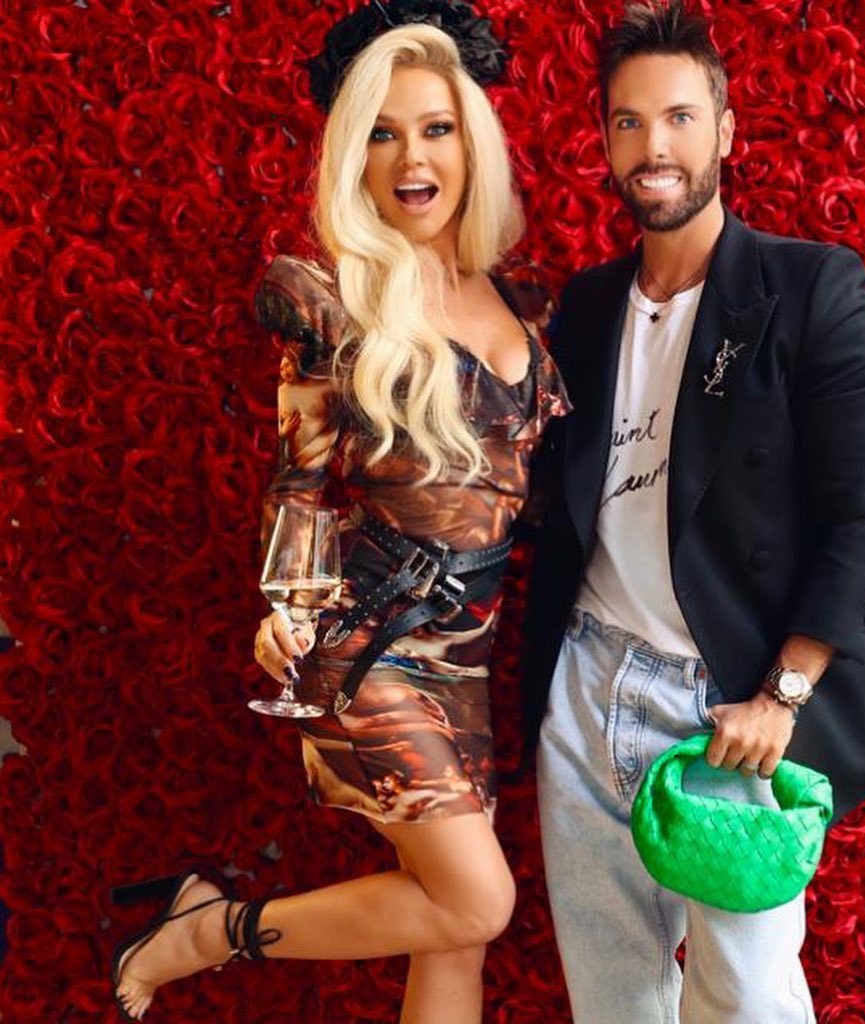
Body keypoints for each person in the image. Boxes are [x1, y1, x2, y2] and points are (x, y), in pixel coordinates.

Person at [110, 6, 569, 1023]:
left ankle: (200, 915)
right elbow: (300, 482)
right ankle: (210, 931)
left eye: (436, 128)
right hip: (371, 641)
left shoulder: (525, 302)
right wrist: (288, 607)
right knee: (478, 900)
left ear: (472, 144)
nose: (413, 157)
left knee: (453, 933)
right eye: (383, 133)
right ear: (354, 155)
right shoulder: (330, 300)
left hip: (470, 655)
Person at [522, 4, 865, 1022]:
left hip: (730, 705)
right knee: (612, 1000)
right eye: (628, 122)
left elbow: (862, 517)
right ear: (605, 139)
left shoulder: (809, 288)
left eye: (679, 118)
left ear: (725, 131)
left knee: (746, 1001)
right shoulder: (585, 307)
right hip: (588, 686)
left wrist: (782, 695)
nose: (652, 146)